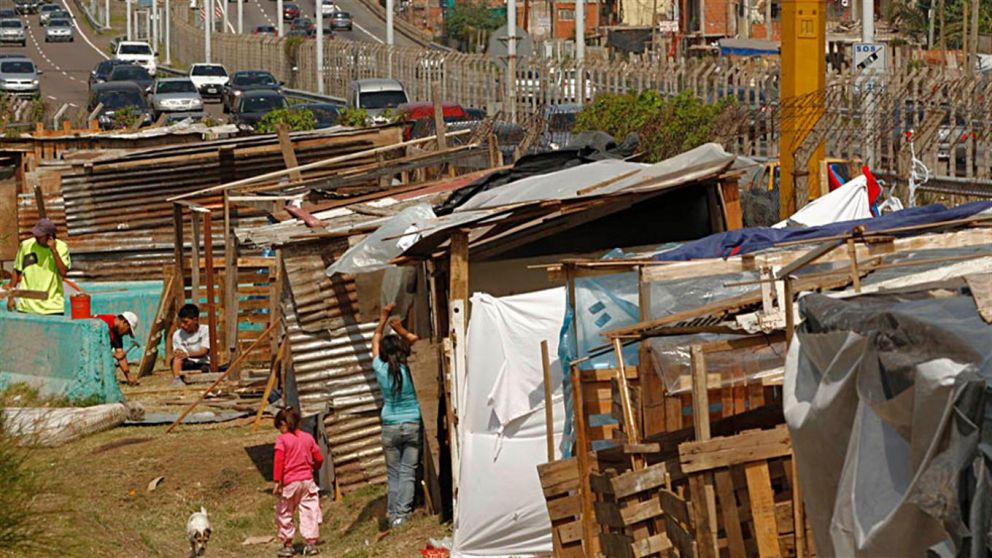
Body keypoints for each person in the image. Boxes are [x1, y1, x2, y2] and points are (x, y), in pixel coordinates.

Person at [371, 302, 421, 528]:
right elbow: (415, 341)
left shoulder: (380, 369)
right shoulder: (410, 367)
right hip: (412, 424)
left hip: (390, 426)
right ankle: (402, 516)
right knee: (408, 472)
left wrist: (383, 318)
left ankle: (392, 515)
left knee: (393, 474)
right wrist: (400, 329)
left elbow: (375, 339)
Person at [272, 406, 324, 557]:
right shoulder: (307, 437)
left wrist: (277, 481)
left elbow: (279, 461)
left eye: (279, 427)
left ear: (284, 423)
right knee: (309, 510)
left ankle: (288, 545)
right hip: (307, 481)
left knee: (285, 512)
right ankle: (311, 544)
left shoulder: (282, 440)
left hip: (290, 483)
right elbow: (319, 457)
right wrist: (314, 467)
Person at [6, 218, 70, 315]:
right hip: (27, 306)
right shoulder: (26, 245)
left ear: (50, 236)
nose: (36, 237)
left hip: (52, 307)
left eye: (40, 235)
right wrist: (11, 297)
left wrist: (54, 251)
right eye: (35, 234)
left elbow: (63, 272)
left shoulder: (61, 247)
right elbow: (17, 270)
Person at [95, 312, 139, 386]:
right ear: (124, 322)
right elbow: (91, 349)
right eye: (128, 331)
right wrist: (113, 354)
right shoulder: (101, 323)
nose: (127, 334)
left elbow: (120, 355)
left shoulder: (117, 333)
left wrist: (129, 376)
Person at [171, 303, 210, 387]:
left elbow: (203, 351)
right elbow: (179, 353)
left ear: (195, 320)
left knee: (204, 369)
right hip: (187, 362)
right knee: (176, 359)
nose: (182, 325)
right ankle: (177, 379)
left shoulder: (205, 331)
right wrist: (179, 354)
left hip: (202, 362)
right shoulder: (177, 334)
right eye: (181, 322)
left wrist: (187, 354)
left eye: (185, 322)